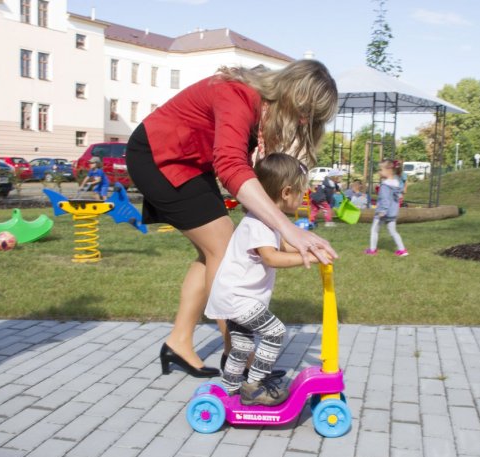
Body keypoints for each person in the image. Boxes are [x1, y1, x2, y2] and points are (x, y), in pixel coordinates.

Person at [125, 59, 339, 378]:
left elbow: (247, 170)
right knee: (225, 253)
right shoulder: (236, 95)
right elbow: (229, 165)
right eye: (305, 112)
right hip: (159, 157)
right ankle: (237, 355)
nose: (304, 121)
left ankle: (178, 343)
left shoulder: (261, 108)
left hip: (192, 164)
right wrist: (289, 230)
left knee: (212, 251)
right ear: (293, 95)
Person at [206, 153, 323, 405]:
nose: (304, 197)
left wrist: (310, 249)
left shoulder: (265, 222)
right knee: (275, 331)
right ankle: (254, 385)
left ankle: (229, 389)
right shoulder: (258, 223)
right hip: (237, 298)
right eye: (301, 192)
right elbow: (272, 257)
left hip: (236, 296)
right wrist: (309, 260)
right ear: (286, 192)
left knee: (242, 346)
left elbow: (283, 245)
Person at [365, 159, 408, 257]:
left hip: (382, 213)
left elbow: (385, 200)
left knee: (374, 230)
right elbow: (399, 197)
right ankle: (402, 250)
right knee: (393, 231)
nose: (379, 172)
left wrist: (382, 211)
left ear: (389, 170)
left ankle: (372, 250)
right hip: (392, 213)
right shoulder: (397, 183)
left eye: (381, 169)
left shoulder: (385, 185)